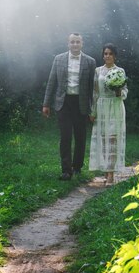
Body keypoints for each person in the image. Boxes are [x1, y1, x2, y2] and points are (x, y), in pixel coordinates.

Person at [42, 33, 96, 180]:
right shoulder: (58, 59)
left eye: (77, 42)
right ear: (68, 43)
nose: (75, 44)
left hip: (81, 103)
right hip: (63, 102)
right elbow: (51, 81)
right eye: (72, 42)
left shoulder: (90, 62)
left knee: (80, 137)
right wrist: (46, 104)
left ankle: (77, 167)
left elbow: (93, 87)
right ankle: (66, 171)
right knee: (65, 137)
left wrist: (94, 108)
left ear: (82, 43)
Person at [89, 43, 127, 184]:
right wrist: (93, 111)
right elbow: (95, 92)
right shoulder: (98, 71)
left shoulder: (120, 71)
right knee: (104, 140)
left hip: (115, 106)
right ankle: (106, 169)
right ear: (103, 56)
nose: (108, 56)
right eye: (105, 53)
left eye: (110, 53)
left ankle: (111, 174)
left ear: (115, 56)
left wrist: (119, 91)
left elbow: (125, 91)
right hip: (102, 107)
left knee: (113, 139)